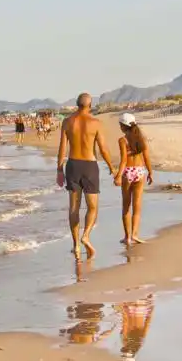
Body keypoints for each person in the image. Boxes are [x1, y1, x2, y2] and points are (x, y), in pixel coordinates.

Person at [56, 93, 114, 257]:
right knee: (93, 207)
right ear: (90, 105)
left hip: (73, 165)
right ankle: (86, 235)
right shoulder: (96, 123)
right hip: (89, 166)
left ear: (76, 104)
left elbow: (62, 148)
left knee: (74, 208)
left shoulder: (67, 122)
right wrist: (111, 166)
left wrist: (59, 169)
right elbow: (103, 148)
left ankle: (76, 246)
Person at [113, 113, 154, 246]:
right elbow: (146, 157)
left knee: (126, 206)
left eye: (120, 125)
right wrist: (150, 172)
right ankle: (135, 234)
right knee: (137, 206)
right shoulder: (141, 139)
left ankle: (127, 237)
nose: (120, 127)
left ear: (124, 126)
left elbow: (124, 160)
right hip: (140, 171)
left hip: (128, 172)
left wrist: (118, 175)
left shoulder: (122, 140)